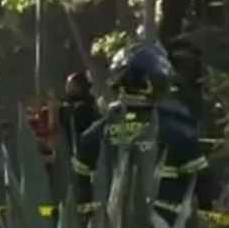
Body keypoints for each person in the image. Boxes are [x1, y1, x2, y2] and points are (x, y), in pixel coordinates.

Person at [72, 41, 218, 212]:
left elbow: (79, 193)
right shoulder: (178, 132)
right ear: (155, 80)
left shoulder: (92, 135)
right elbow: (206, 192)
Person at [60, 71, 100, 154]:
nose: (67, 87)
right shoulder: (69, 106)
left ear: (79, 87)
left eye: (70, 84)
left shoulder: (84, 108)